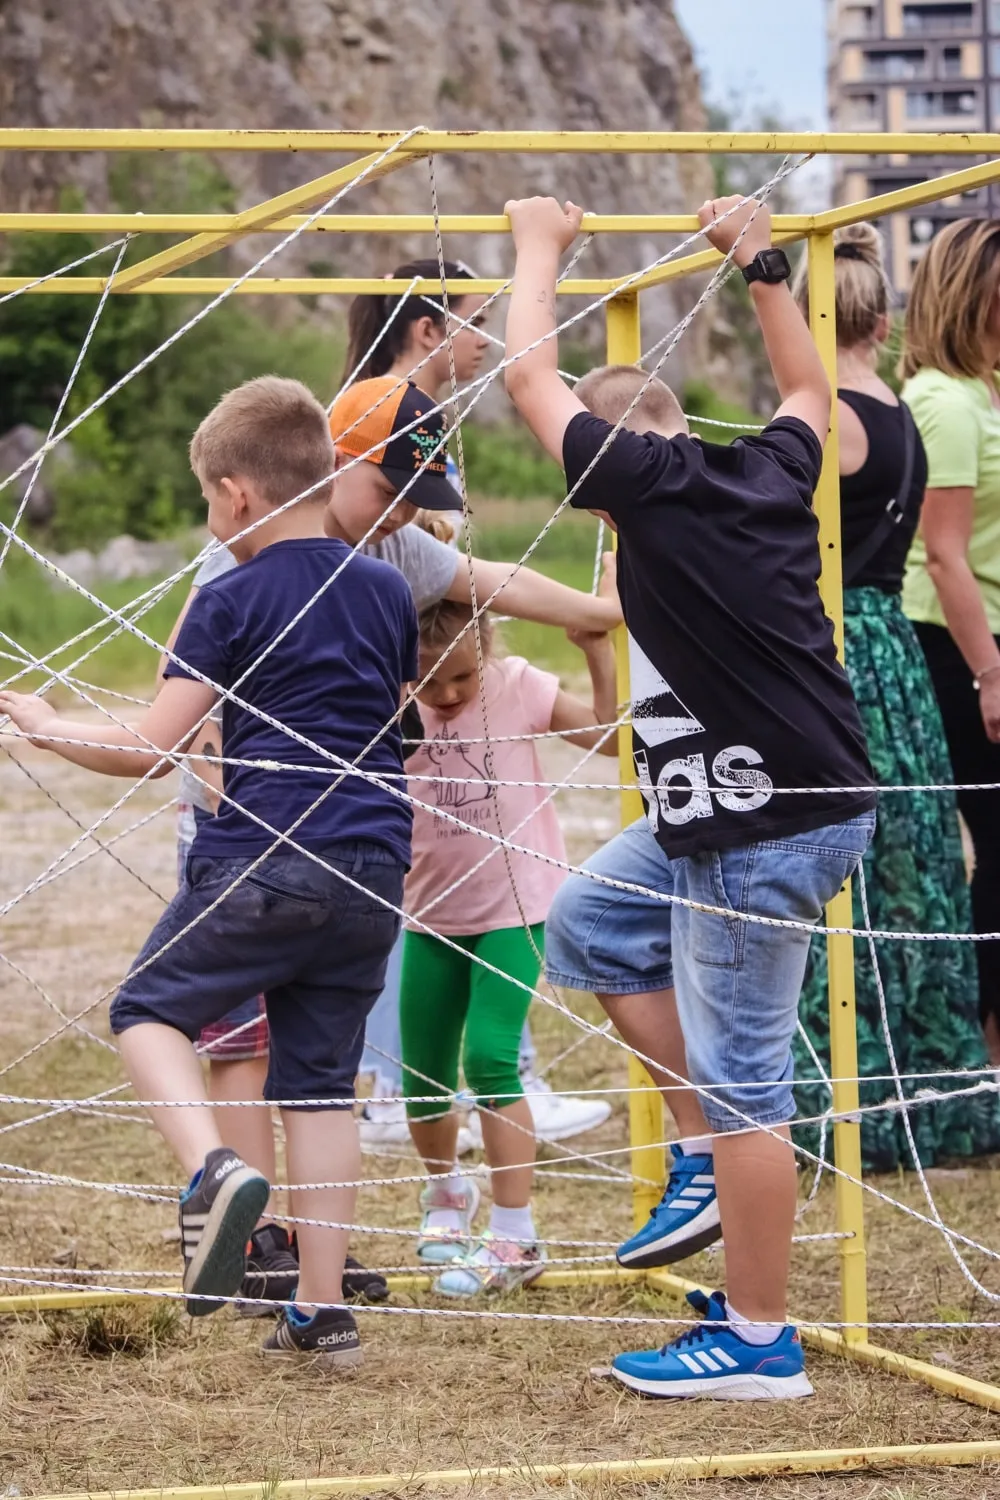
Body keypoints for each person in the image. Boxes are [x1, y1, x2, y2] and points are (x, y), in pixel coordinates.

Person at [503, 192, 876, 1400]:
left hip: (758, 825)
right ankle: (710, 1152)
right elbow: (809, 393)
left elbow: (528, 384)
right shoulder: (765, 467)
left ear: (604, 479)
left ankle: (758, 1338)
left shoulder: (648, 494)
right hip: (748, 809)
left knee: (748, 1082)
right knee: (591, 924)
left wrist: (538, 251)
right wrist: (760, 261)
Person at [160, 368, 623, 1304]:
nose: (402, 518)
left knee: (318, 1067)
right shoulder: (239, 554)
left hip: (338, 854)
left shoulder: (396, 551)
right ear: (337, 461)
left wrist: (599, 614)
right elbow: (189, 707)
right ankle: (261, 1246)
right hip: (246, 841)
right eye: (391, 495)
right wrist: (225, 812)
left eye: (420, 504)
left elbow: (494, 581)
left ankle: (315, 1272)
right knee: (242, 1049)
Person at [0, 376, 419, 1368]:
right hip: (373, 871)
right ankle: (321, 1316)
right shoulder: (388, 587)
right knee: (319, 1087)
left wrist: (52, 727)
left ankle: (214, 1171)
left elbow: (154, 747)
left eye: (204, 501)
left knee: (145, 1013)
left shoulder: (227, 595)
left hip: (266, 857)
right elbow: (386, 713)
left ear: (233, 495)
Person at [344, 258, 612, 1148]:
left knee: (448, 905)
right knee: (399, 902)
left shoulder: (399, 449)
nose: (488, 338)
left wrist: (597, 616)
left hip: (420, 726)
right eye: (477, 318)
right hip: (364, 734)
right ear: (428, 328)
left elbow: (479, 576)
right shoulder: (372, 434)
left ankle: (496, 1081)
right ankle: (399, 1086)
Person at [790, 224, 1000, 1171]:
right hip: (895, 653)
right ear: (882, 316)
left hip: (842, 643)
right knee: (914, 876)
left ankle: (858, 1103)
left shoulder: (835, 412)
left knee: (848, 876)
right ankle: (933, 1090)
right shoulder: (908, 412)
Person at [400, 599, 618, 1294]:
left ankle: (516, 1237)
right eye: (430, 683)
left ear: (486, 649)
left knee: (491, 1056)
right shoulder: (391, 700)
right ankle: (446, 1196)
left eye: (461, 677)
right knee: (424, 1078)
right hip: (429, 912)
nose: (448, 696)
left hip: (517, 906)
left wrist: (596, 651)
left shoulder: (516, 683)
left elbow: (611, 739)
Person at [899, 219, 1000, 1065]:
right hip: (962, 645)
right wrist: (990, 672)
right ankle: (988, 1054)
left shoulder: (978, 392)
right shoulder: (945, 401)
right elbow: (943, 552)